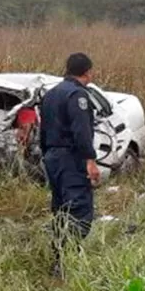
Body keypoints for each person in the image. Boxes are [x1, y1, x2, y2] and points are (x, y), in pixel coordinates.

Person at [39, 53, 101, 273]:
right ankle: (67, 262)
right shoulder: (77, 96)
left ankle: (59, 256)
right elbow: (81, 132)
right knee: (79, 209)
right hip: (71, 159)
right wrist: (90, 161)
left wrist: (47, 156)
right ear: (88, 71)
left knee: (60, 209)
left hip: (52, 157)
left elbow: (43, 130)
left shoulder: (51, 94)